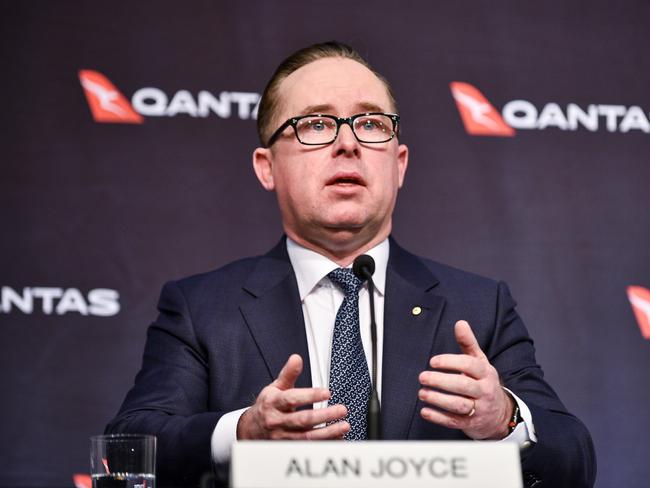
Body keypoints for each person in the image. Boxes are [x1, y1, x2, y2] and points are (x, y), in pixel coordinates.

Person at [106, 42, 596, 487]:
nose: (348, 143)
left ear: (399, 164)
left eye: (370, 123)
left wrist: (505, 421)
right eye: (316, 124)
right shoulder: (202, 308)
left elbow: (573, 460)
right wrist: (244, 432)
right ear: (266, 168)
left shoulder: (478, 305)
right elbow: (131, 444)